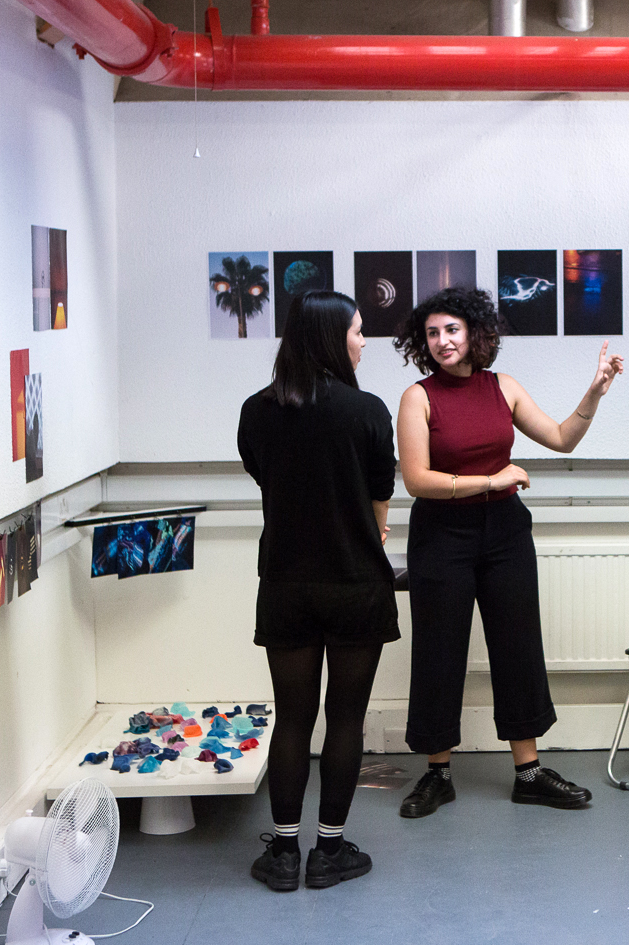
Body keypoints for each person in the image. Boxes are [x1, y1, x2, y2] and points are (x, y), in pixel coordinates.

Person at [393, 287, 623, 817]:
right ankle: (437, 774)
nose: (442, 341)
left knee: (518, 646)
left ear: (475, 332)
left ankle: (529, 771)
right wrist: (490, 479)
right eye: (432, 333)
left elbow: (563, 439)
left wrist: (595, 393)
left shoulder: (504, 387)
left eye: (451, 329)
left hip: (505, 533)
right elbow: (417, 480)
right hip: (441, 535)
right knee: (438, 651)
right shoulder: (417, 397)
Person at [237, 291, 398, 892]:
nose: (363, 341)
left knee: (293, 718)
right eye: (359, 331)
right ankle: (328, 852)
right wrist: (370, 524)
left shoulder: (257, 411)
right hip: (356, 584)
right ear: (334, 338)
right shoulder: (368, 411)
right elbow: (380, 490)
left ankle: (282, 853)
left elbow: (267, 477)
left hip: (286, 585)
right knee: (346, 718)